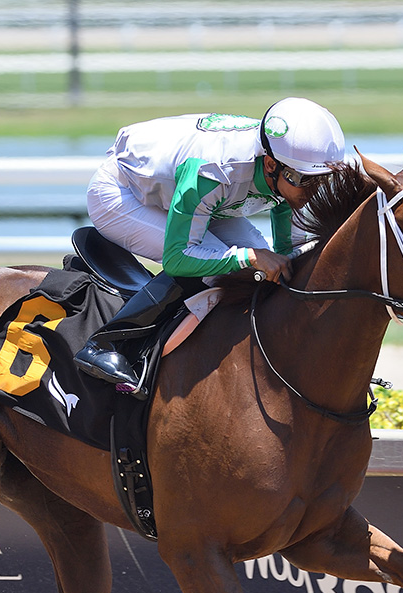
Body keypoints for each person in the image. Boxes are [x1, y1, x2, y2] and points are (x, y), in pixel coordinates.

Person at [75, 97, 347, 390]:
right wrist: (249, 257)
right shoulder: (213, 170)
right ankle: (106, 345)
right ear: (270, 164)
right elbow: (179, 258)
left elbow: (287, 252)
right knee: (224, 268)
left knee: (268, 273)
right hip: (122, 194)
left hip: (208, 199)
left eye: (324, 180)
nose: (314, 191)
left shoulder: (287, 168)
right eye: (306, 181)